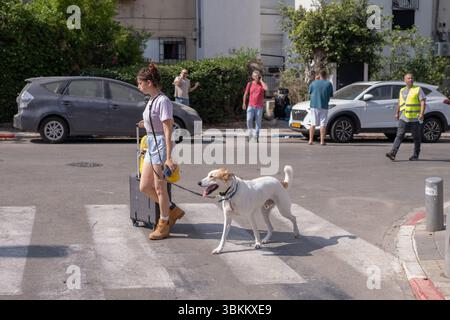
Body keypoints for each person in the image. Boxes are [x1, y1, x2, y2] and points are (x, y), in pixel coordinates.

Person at [137, 63, 185, 240]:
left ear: (149, 82)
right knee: (144, 186)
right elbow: (155, 120)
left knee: (159, 188)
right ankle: (172, 210)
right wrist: (146, 123)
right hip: (151, 143)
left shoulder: (163, 101)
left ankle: (164, 224)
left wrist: (169, 158)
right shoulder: (152, 99)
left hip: (160, 145)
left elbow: (168, 130)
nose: (139, 86)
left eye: (140, 83)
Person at [386, 73, 426, 161]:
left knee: (416, 137)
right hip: (404, 117)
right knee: (399, 135)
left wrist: (421, 113)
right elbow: (400, 102)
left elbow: (422, 102)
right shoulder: (402, 90)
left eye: (412, 78)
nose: (410, 79)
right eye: (408, 78)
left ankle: (415, 155)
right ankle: (393, 153)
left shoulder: (418, 89)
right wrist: (397, 113)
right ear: (404, 80)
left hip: (415, 118)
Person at [308, 70, 333, 145]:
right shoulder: (329, 84)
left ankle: (310, 140)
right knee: (323, 124)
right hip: (324, 105)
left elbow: (310, 92)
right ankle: (322, 141)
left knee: (313, 123)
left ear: (319, 75)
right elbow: (331, 95)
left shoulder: (313, 83)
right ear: (326, 75)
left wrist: (315, 80)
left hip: (314, 105)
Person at [242, 70, 268, 142]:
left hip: (259, 107)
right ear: (253, 77)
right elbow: (245, 94)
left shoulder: (261, 85)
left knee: (258, 122)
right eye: (255, 76)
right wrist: (244, 103)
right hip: (251, 105)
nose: (256, 77)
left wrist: (261, 81)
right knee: (248, 120)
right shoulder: (249, 84)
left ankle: (256, 136)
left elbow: (266, 88)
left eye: (258, 76)